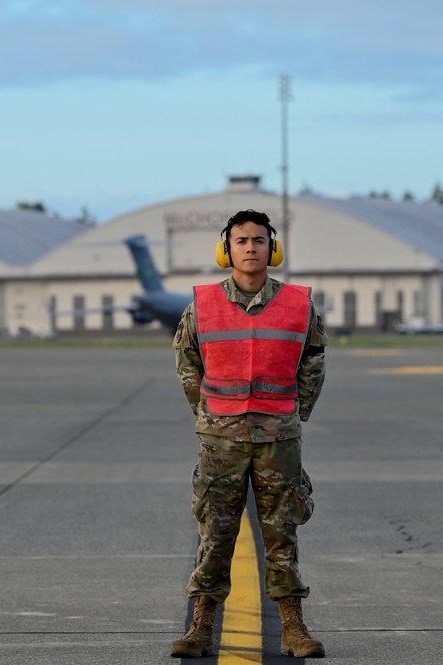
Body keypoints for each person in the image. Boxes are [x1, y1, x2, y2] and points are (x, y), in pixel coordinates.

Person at [170, 209, 328, 659]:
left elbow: (313, 362)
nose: (251, 248)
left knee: (282, 532)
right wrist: (210, 415)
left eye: (260, 240)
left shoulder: (299, 303)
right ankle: (201, 626)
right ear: (227, 249)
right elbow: (186, 363)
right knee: (216, 531)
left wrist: (294, 414)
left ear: (272, 249)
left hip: (279, 438)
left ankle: (294, 628)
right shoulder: (202, 304)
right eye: (241, 241)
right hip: (221, 439)